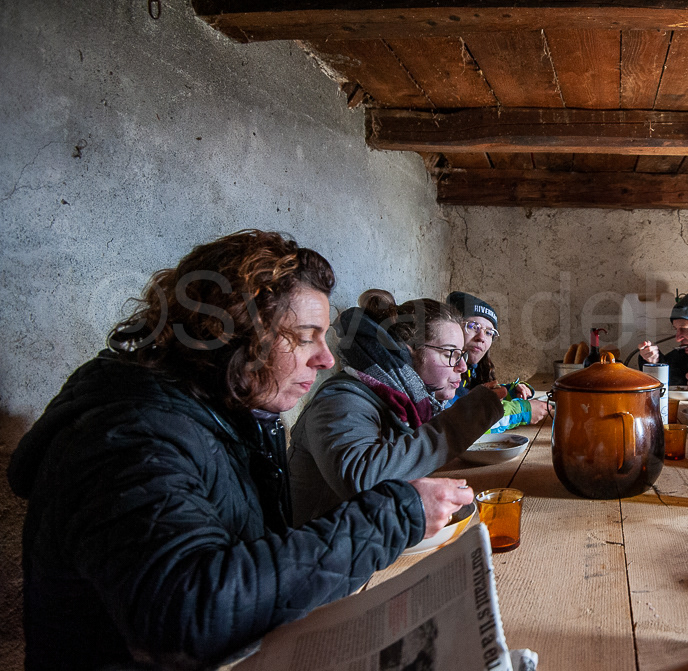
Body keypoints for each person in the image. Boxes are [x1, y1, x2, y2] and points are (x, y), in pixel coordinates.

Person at [6, 230, 474, 671]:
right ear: (232, 333)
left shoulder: (233, 413)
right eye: (303, 336)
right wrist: (394, 515)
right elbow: (187, 615)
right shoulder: (128, 438)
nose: (326, 358)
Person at [288, 295, 503, 525]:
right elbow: (364, 479)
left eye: (461, 354)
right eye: (450, 353)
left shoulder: (406, 400)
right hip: (320, 554)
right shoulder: (341, 400)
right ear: (408, 350)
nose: (462, 366)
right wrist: (467, 419)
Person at [445, 291, 549, 432]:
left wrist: (508, 392)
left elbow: (470, 399)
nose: (481, 337)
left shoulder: (472, 370)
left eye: (489, 332)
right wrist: (520, 412)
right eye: (473, 326)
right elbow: (460, 422)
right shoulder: (444, 371)